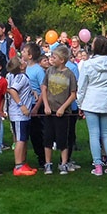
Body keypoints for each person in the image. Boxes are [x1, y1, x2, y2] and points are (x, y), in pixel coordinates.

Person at [77, 35, 107, 176]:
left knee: (94, 135)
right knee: (106, 134)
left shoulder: (88, 64)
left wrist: (80, 103)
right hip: (106, 100)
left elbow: (82, 86)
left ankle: (98, 166)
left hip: (91, 101)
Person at [41, 45, 77, 175]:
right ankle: (48, 163)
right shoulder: (49, 71)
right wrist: (46, 105)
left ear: (62, 60)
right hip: (49, 110)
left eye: (54, 57)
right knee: (48, 138)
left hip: (63, 112)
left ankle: (63, 163)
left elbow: (73, 94)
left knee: (62, 139)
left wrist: (63, 108)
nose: (51, 59)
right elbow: (44, 88)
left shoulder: (69, 74)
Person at [6, 55, 36, 176]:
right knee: (20, 139)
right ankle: (18, 165)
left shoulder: (11, 76)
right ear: (21, 66)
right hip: (19, 113)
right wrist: (21, 105)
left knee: (24, 138)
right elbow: (13, 90)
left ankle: (23, 162)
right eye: (22, 61)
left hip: (22, 114)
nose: (24, 61)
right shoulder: (21, 77)